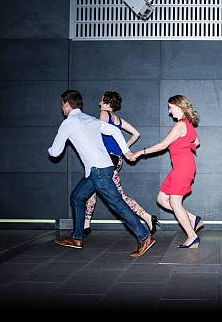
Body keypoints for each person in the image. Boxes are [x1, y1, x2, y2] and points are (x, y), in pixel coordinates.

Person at [48, 90, 155, 257]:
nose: (62, 108)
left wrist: (49, 149)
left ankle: (145, 237)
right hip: (97, 170)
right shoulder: (90, 119)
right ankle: (77, 238)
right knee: (77, 197)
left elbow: (55, 153)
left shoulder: (68, 123)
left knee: (117, 204)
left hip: (98, 171)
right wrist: (126, 152)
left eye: (62, 104)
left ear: (67, 104)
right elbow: (114, 131)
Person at [129, 95, 202, 248]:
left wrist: (140, 152)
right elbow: (196, 142)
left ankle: (192, 236)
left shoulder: (180, 125)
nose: (169, 111)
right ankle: (192, 219)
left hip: (183, 168)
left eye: (171, 107)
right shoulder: (188, 125)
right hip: (181, 167)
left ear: (180, 107)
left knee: (175, 202)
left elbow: (163, 145)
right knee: (162, 199)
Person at [83, 91, 159, 236]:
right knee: (91, 188)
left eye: (101, 98)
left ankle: (146, 217)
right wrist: (124, 148)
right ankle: (86, 223)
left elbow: (100, 134)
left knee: (117, 196)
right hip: (116, 159)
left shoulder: (104, 113)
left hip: (106, 160)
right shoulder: (117, 119)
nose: (99, 100)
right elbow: (136, 133)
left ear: (106, 101)